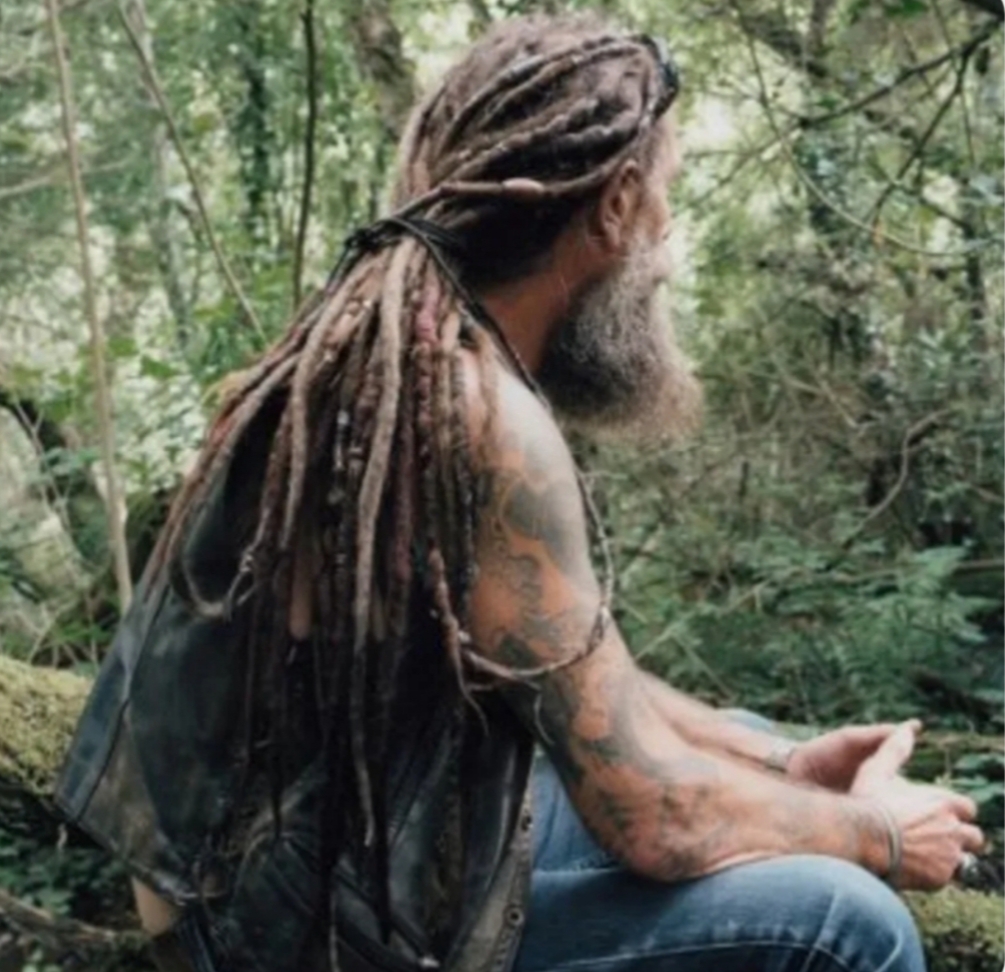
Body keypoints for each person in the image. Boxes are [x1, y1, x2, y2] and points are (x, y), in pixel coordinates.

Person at [56, 13, 983, 972]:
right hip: (288, 931)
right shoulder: (480, 418)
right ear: (615, 206)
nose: (666, 243)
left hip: (292, 861)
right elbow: (656, 818)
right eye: (665, 199)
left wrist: (781, 765)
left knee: (744, 739)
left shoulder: (380, 354)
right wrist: (877, 836)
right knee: (843, 922)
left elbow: (573, 674)